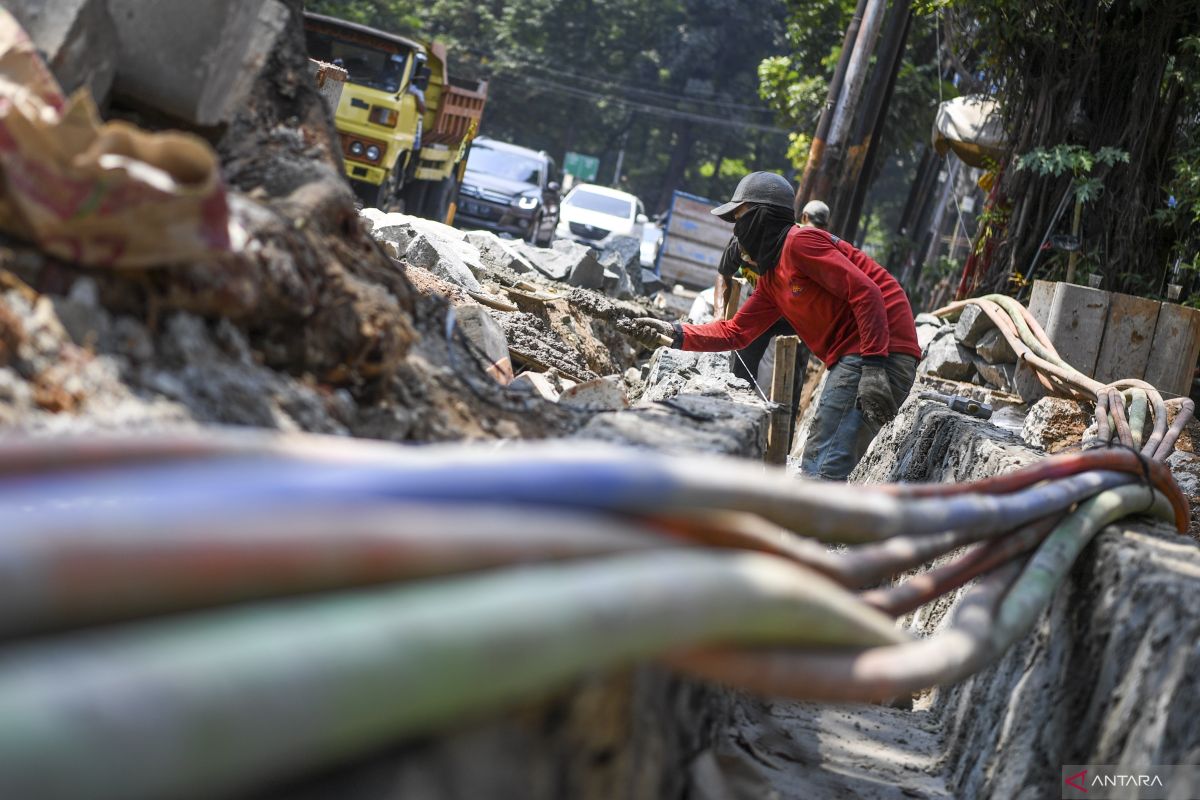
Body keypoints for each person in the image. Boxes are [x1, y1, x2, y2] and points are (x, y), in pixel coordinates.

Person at [633, 172, 921, 480]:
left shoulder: (800, 243)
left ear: (761, 218)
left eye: (739, 218)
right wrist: (674, 333)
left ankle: (807, 524)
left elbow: (868, 291)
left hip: (880, 350)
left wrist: (874, 366)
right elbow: (735, 332)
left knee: (821, 468)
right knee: (822, 461)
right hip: (864, 352)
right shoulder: (772, 280)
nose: (736, 230)